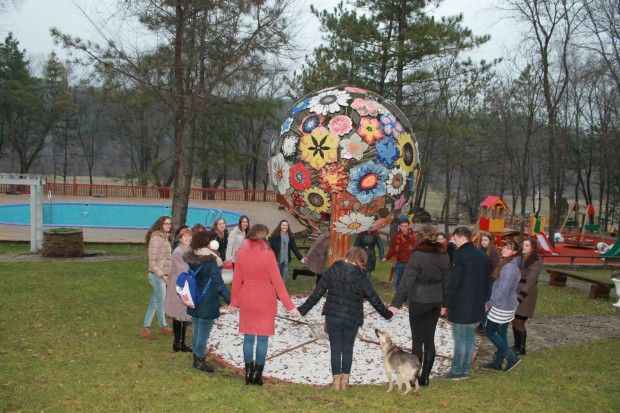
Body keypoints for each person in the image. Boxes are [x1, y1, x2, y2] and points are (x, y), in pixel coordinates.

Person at [297, 247, 395, 391]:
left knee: (335, 349)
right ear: (361, 260)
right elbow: (374, 298)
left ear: (347, 255)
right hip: (352, 318)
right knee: (348, 349)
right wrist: (387, 314)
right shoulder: (361, 276)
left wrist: (302, 310)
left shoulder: (332, 270)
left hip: (333, 316)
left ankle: (336, 383)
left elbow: (317, 293)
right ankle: (345, 383)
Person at [228, 224, 300, 386]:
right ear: (262, 236)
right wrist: (290, 306)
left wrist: (234, 302)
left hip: (247, 297)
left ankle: (248, 373)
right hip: (265, 299)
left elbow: (237, 281)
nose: (268, 238)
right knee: (262, 339)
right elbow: (278, 283)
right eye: (266, 235)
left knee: (248, 337)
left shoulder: (241, 253)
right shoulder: (268, 255)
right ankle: (257, 375)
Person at [389, 224, 451, 387]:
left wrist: (396, 303)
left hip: (419, 300)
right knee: (429, 339)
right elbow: (447, 282)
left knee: (417, 342)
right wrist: (445, 303)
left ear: (420, 237)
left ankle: (414, 377)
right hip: (435, 301)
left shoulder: (417, 255)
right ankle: (425, 377)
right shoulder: (444, 254)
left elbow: (406, 281)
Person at [444, 226, 491, 380]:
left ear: (462, 238)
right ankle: (465, 370)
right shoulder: (482, 255)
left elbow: (454, 282)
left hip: (461, 303)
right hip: (476, 303)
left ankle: (457, 371)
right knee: (469, 337)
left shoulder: (460, 255)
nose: (455, 242)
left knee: (459, 338)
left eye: (455, 239)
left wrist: (446, 303)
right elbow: (486, 282)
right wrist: (484, 300)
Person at [184, 231, 231, 372]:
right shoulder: (210, 262)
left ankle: (196, 357)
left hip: (195, 298)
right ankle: (199, 361)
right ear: (207, 243)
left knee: (197, 331)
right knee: (203, 333)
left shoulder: (192, 257)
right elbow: (219, 284)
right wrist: (231, 300)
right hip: (207, 301)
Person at [483, 239, 522, 372]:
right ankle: (498, 362)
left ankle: (511, 357)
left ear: (515, 252)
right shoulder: (508, 264)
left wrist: (489, 303)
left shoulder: (510, 267)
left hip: (502, 305)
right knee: (502, 333)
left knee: (489, 331)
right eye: (504, 247)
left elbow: (503, 289)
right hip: (507, 304)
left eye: (508, 248)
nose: (504, 249)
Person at [141, 215, 174, 340]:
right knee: (159, 302)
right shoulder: (156, 239)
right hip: (157, 275)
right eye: (166, 224)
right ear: (160, 224)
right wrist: (162, 275)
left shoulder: (165, 238)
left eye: (170, 224)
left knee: (155, 301)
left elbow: (165, 259)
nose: (168, 226)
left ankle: (157, 327)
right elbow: (153, 261)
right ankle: (154, 327)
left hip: (162, 275)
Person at [165, 227, 193, 352]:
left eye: (189, 236)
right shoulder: (178, 252)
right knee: (178, 314)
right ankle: (177, 342)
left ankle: (181, 343)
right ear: (180, 238)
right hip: (179, 284)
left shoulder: (189, 250)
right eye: (185, 236)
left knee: (184, 314)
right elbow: (184, 270)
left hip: (185, 284)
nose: (188, 238)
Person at [511, 237, 541, 356]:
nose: (524, 247)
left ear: (533, 248)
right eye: (523, 245)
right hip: (516, 291)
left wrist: (520, 297)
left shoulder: (535, 262)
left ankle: (521, 347)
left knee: (520, 320)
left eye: (527, 245)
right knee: (514, 319)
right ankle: (516, 344)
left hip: (526, 295)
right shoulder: (520, 259)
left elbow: (530, 282)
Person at [476, 232, 500, 335]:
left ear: (490, 241)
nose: (483, 242)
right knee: (481, 302)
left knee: (487, 302)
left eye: (486, 240)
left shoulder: (493, 252)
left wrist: (490, 276)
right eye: (482, 240)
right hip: (480, 281)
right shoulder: (479, 251)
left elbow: (496, 267)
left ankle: (486, 325)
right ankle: (482, 322)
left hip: (489, 281)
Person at [382, 218, 416, 288]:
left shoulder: (413, 237)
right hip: (399, 262)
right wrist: (386, 258)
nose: (404, 228)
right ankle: (398, 294)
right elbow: (392, 249)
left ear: (409, 226)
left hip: (409, 263)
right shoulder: (396, 237)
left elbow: (416, 250)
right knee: (396, 281)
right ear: (400, 227)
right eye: (402, 226)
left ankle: (406, 296)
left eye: (406, 226)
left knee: (407, 281)